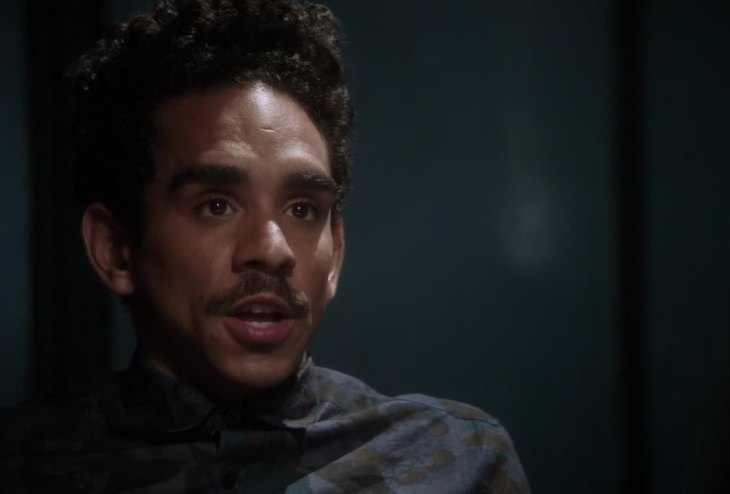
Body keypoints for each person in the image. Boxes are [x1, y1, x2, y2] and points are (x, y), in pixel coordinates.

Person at [0, 0, 530, 491]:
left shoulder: (457, 461)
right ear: (116, 248)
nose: (273, 250)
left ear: (335, 255)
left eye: (302, 210)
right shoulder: (24, 464)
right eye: (216, 206)